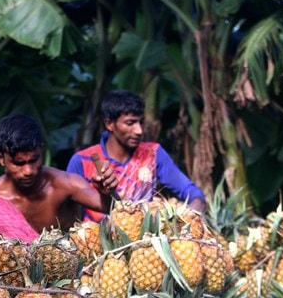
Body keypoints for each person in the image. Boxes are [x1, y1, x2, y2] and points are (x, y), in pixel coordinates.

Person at [67, 90, 206, 221]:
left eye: (141, 122)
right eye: (130, 123)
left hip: (144, 241)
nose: (139, 130)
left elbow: (190, 190)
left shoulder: (153, 153)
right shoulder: (82, 161)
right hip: (96, 240)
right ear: (109, 124)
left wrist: (194, 210)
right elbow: (69, 209)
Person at [0, 114, 118, 233]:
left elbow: (111, 207)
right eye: (18, 163)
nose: (28, 171)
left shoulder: (65, 183)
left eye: (34, 160)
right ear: (1, 158)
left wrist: (106, 193)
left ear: (41, 151)